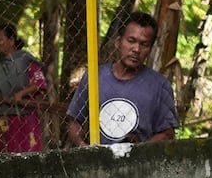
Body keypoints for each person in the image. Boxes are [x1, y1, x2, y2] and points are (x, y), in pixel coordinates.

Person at [65, 10, 177, 146]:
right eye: (131, 41)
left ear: (150, 49)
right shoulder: (94, 77)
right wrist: (85, 149)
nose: (136, 49)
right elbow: (74, 122)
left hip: (139, 163)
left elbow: (167, 133)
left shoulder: (159, 85)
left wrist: (140, 151)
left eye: (144, 44)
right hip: (99, 159)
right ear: (118, 42)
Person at [0, 24, 48, 154]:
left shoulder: (25, 59)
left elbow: (39, 83)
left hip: (22, 118)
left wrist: (21, 93)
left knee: (26, 155)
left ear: (11, 40)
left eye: (0, 39)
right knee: (1, 157)